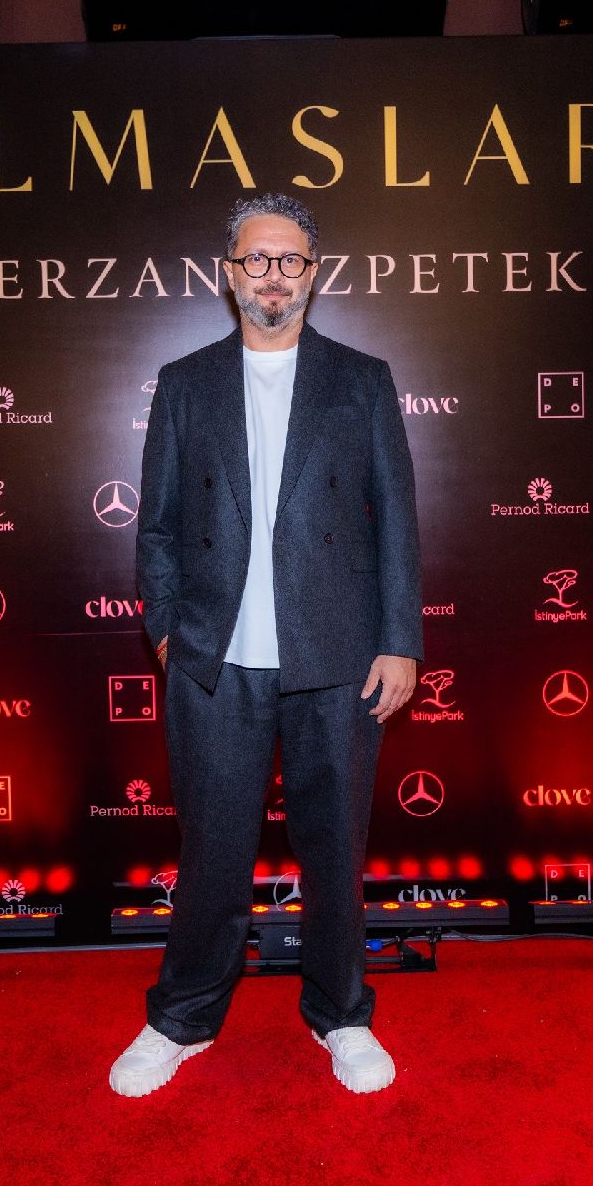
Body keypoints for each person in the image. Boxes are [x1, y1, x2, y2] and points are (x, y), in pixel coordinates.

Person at [110, 193, 422, 1097]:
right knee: (212, 851)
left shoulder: (362, 379)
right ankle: (181, 1017)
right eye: (257, 259)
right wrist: (167, 630)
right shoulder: (185, 381)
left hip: (338, 654)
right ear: (229, 273)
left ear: (313, 275)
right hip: (215, 658)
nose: (273, 275)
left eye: (290, 259)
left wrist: (400, 640)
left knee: (335, 848)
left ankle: (342, 1014)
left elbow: (398, 522)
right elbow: (157, 527)